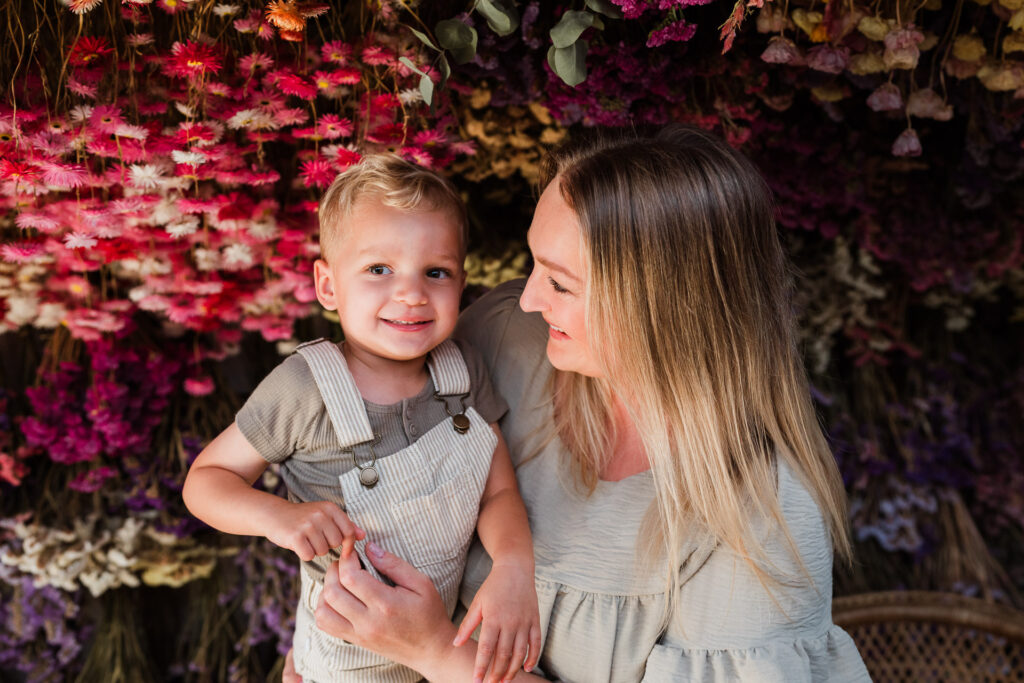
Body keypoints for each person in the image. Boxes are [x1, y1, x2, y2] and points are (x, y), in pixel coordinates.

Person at [297, 125, 872, 682]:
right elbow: (355, 478)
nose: (527, 297)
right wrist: (316, 652)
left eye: (562, 284)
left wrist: (433, 652)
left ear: (663, 306)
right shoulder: (505, 341)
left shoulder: (760, 520)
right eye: (534, 264)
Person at [183, 154, 540, 683]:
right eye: (379, 269)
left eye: (435, 272)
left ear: (461, 283)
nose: (412, 294)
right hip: (346, 662)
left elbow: (499, 494)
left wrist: (513, 566)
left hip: (443, 641)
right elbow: (205, 482)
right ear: (328, 286)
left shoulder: (461, 373)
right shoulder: (305, 388)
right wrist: (278, 518)